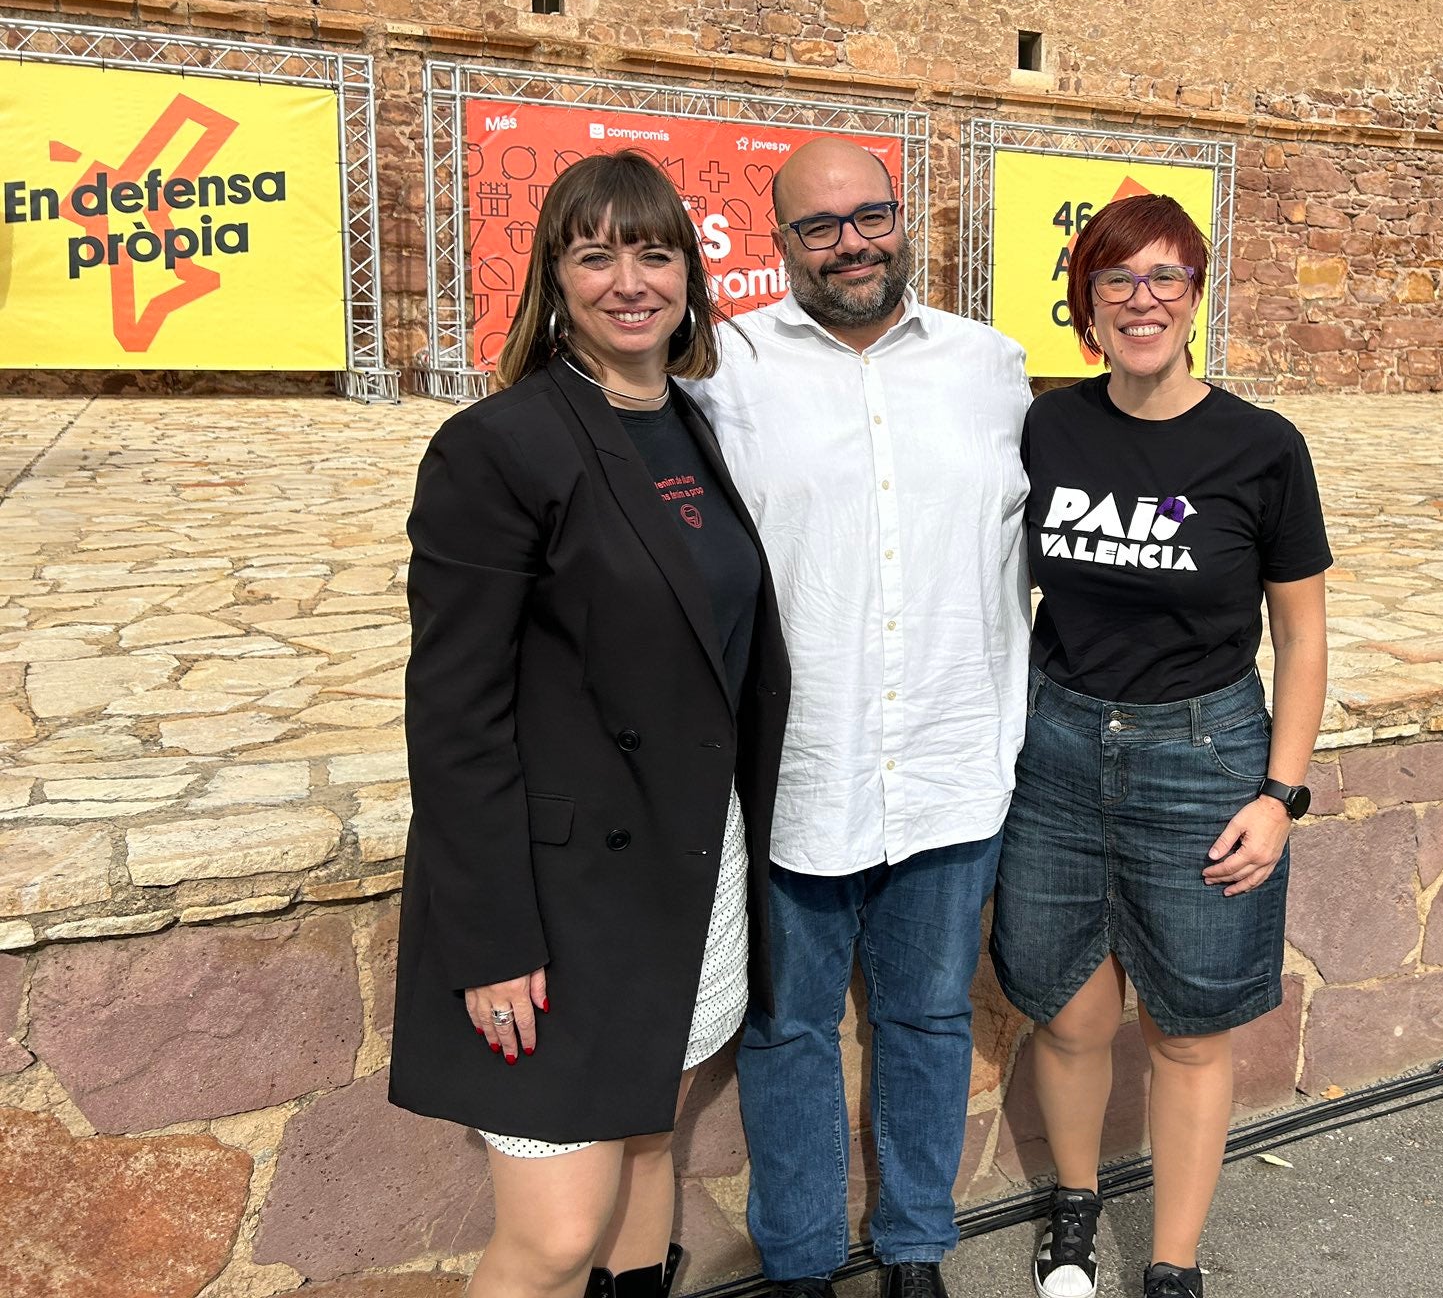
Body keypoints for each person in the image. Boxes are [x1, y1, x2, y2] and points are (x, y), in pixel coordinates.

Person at [389, 151, 790, 1298]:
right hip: (557, 905)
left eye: (654, 251)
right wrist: (492, 940)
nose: (629, 279)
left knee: (650, 1144)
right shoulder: (498, 446)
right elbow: (453, 713)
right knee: (555, 1236)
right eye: (594, 252)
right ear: (554, 279)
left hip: (686, 869)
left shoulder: (691, 426)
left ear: (691, 276)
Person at [684, 137, 1031, 1298]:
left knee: (928, 1020)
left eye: (867, 215)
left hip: (946, 760)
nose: (849, 244)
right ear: (779, 242)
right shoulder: (720, 370)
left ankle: (916, 1249)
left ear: (902, 216)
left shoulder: (992, 368)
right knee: (784, 1037)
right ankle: (797, 1262)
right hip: (795, 769)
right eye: (816, 227)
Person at [990, 194, 1331, 1298]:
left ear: (1194, 295)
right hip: (1056, 746)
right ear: (1085, 303)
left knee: (1187, 1028)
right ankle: (1076, 1208)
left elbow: (1303, 632)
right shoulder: (1048, 428)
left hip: (1203, 751)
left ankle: (1174, 1263)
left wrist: (1279, 794)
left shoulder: (1260, 448)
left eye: (1164, 279)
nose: (1140, 301)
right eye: (1115, 281)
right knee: (1070, 1005)